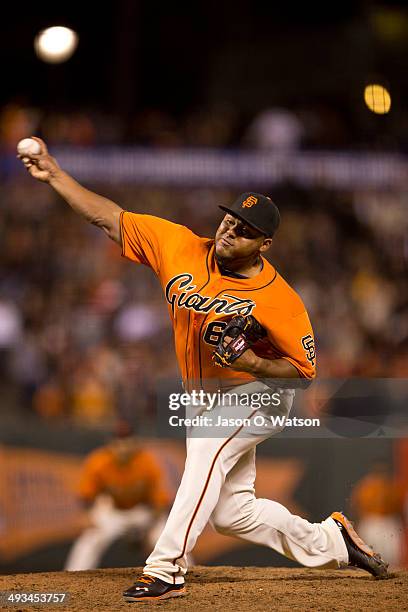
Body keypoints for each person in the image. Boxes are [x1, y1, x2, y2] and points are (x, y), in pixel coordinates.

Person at [19, 138, 388, 602]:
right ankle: (332, 541)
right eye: (230, 219)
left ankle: (167, 567)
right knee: (234, 514)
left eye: (245, 229)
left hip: (260, 395)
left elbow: (304, 371)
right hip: (204, 395)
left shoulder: (282, 302)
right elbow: (108, 217)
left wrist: (254, 361)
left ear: (265, 244)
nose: (230, 230)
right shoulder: (179, 245)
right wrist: (54, 174)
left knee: (208, 446)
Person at [65, 423, 171, 571]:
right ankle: (73, 576)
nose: (122, 447)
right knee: (90, 538)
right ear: (110, 443)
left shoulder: (147, 462)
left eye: (127, 441)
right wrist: (87, 515)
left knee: (166, 538)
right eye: (118, 442)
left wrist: (149, 529)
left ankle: (189, 573)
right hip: (114, 511)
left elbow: (160, 502)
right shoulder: (99, 461)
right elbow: (86, 495)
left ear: (136, 443)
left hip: (143, 512)